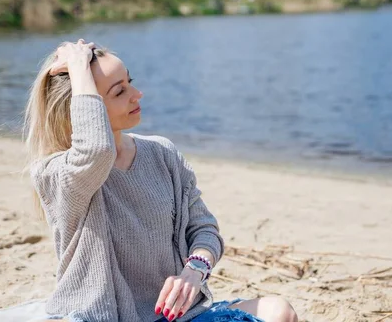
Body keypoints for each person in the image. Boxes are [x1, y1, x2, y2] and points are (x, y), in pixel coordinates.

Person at [24, 40, 298, 322]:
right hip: (99, 317)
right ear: (83, 107)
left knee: (279, 312)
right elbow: (96, 150)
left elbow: (204, 229)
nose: (137, 94)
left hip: (177, 316)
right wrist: (79, 69)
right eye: (119, 91)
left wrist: (194, 271)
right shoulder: (57, 174)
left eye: (129, 82)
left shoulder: (161, 153)